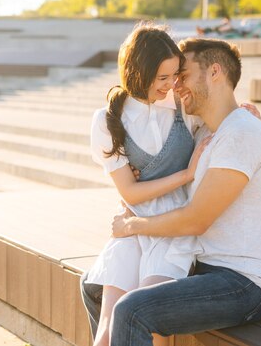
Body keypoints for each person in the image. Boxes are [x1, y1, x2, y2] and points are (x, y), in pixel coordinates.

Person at [82, 37, 261, 346]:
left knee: (132, 310)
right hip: (206, 267)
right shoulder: (208, 130)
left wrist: (132, 225)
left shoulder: (241, 132)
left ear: (214, 73)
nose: (177, 86)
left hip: (245, 282)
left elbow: (195, 221)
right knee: (93, 284)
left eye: (184, 75)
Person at [83, 23, 211, 346]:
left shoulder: (183, 107)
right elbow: (130, 192)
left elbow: (223, 117)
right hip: (132, 228)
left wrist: (249, 114)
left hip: (174, 229)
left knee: (145, 317)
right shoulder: (109, 120)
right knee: (108, 331)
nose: (170, 86)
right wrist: (185, 174)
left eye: (173, 76)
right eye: (162, 78)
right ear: (138, 72)